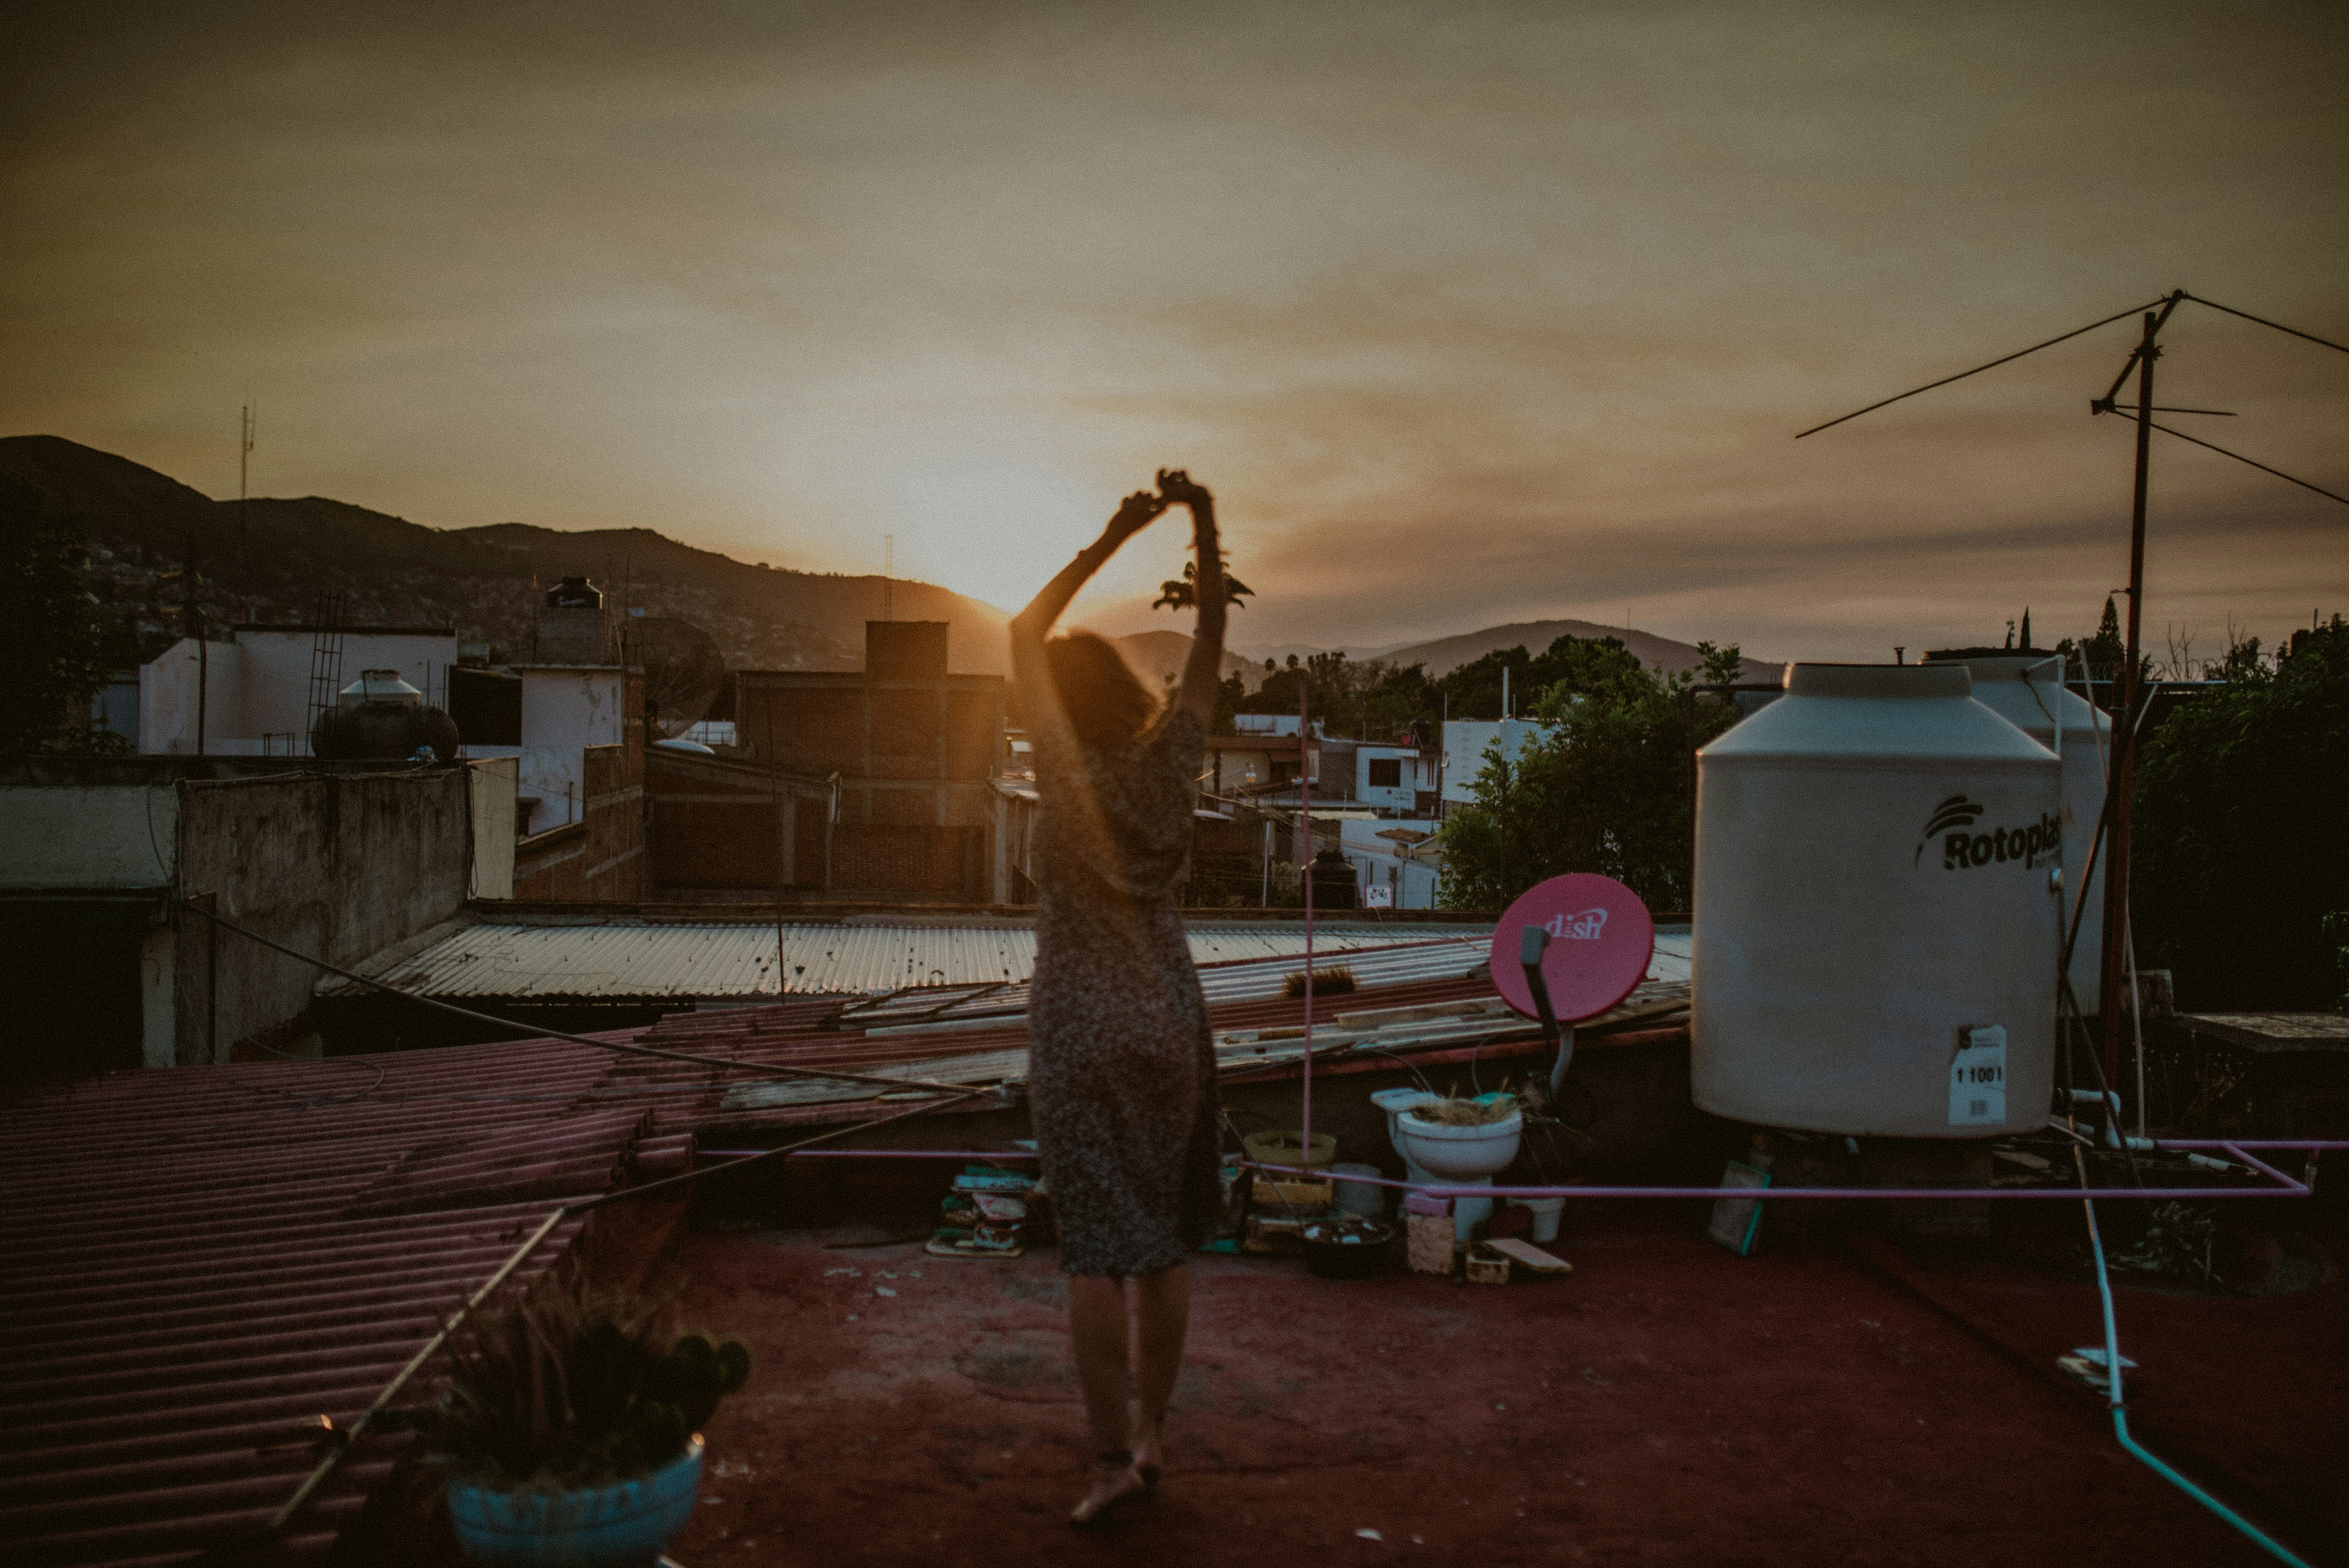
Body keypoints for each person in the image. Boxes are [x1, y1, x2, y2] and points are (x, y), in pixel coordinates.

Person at [1007, 469, 1229, 1526]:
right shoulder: (1173, 761)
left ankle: (1108, 1458)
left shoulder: (1063, 770)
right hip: (1169, 1019)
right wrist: (1204, 526)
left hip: (1079, 1024)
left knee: (1096, 1249)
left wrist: (1111, 534)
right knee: (1162, 1242)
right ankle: (1152, 1435)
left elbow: (1020, 626)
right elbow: (1209, 653)